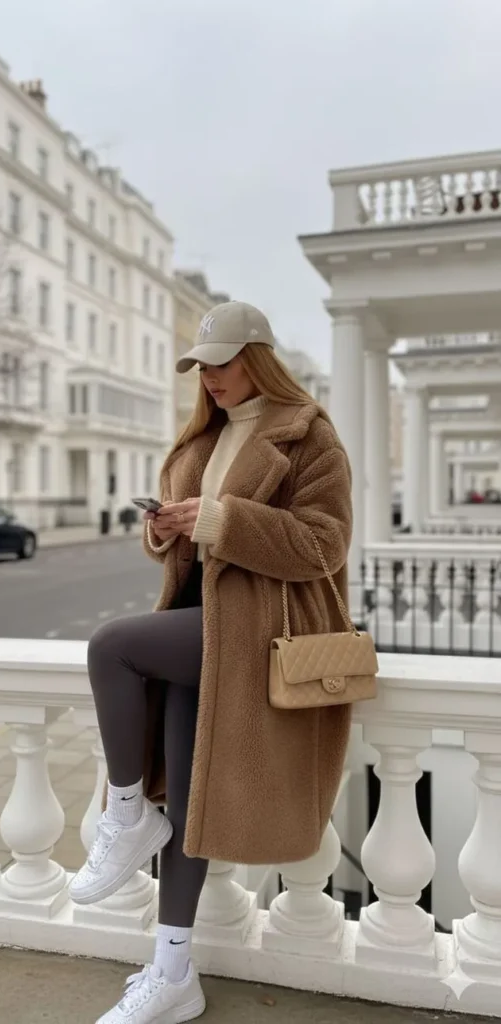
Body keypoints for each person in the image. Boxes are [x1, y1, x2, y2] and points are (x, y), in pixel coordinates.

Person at [70, 300, 353, 1024]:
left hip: (256, 633)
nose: (210, 378)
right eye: (201, 366)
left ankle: (126, 814)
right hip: (200, 627)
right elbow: (186, 548)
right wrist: (167, 529)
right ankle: (171, 974)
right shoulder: (201, 439)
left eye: (222, 363)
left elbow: (324, 545)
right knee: (190, 808)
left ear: (257, 356)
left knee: (112, 645)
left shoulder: (307, 435)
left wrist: (223, 520)